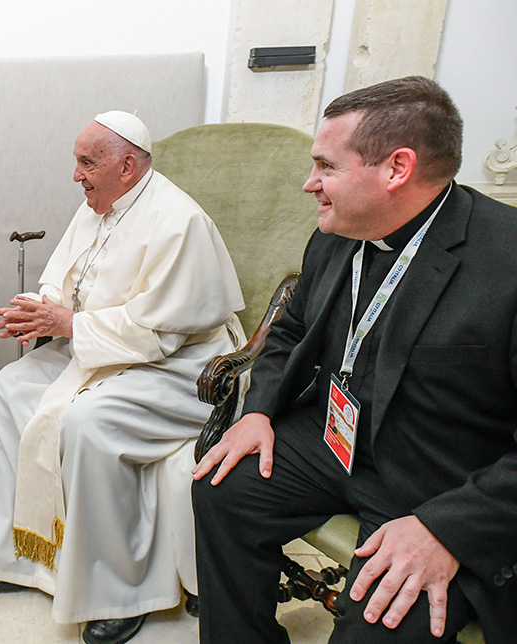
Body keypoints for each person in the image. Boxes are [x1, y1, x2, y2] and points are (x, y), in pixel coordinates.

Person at [191, 76, 517, 644]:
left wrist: (447, 530)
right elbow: (290, 329)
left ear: (397, 169)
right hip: (335, 440)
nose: (308, 183)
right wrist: (258, 412)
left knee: (379, 624)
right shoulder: (338, 229)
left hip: (442, 480)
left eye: (326, 167)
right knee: (224, 488)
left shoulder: (506, 259)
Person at [0, 111, 246, 644]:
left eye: (86, 163)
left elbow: (162, 331)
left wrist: (69, 324)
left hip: (181, 365)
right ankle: (4, 557)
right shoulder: (99, 206)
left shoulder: (178, 222)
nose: (76, 175)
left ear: (127, 165)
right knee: (6, 391)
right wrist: (40, 309)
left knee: (87, 421)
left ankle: (119, 593)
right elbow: (65, 277)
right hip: (102, 345)